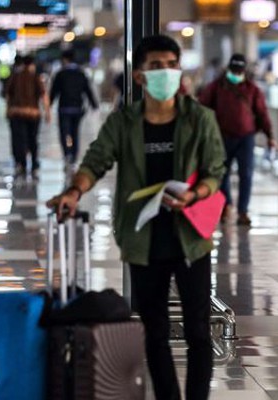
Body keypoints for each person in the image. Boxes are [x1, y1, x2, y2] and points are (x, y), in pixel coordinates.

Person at [46, 35, 225, 400]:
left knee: (198, 331)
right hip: (144, 238)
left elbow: (215, 169)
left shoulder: (199, 118)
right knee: (155, 331)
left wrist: (195, 194)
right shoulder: (125, 122)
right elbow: (97, 159)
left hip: (190, 234)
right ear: (139, 76)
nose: (165, 72)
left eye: (171, 65)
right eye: (156, 66)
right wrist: (74, 191)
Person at [199, 54, 274, 226]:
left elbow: (262, 114)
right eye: (234, 70)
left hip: (246, 138)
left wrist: (270, 136)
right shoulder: (216, 87)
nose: (236, 73)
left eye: (239, 70)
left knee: (246, 174)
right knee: (221, 174)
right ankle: (226, 206)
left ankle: (243, 211)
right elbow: (203, 110)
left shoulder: (252, 89)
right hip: (221, 138)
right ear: (228, 69)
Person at [50, 50, 99, 167]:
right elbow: (87, 90)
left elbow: (54, 91)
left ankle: (67, 153)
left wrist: (49, 104)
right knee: (75, 132)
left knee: (64, 133)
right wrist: (94, 104)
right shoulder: (81, 73)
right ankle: (74, 155)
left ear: (64, 59)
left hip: (64, 108)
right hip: (77, 108)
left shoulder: (60, 74)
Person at [5, 55, 50, 177]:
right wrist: (47, 112)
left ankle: (22, 163)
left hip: (17, 113)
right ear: (31, 64)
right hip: (33, 114)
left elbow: (8, 96)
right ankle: (34, 163)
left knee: (20, 139)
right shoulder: (35, 77)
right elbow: (43, 95)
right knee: (33, 139)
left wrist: (8, 110)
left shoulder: (15, 77)